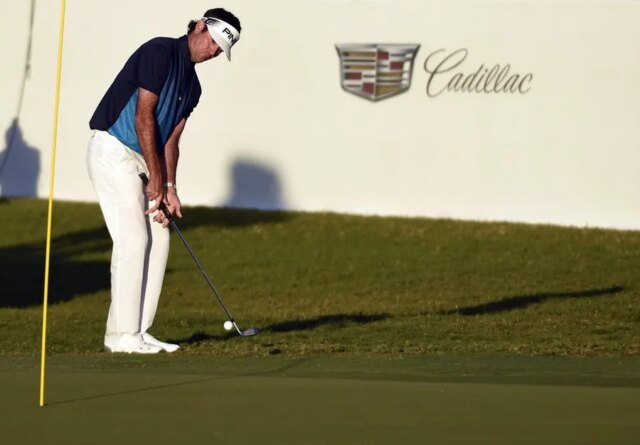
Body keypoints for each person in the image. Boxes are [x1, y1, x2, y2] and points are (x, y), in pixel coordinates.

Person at [86, 8, 242, 354]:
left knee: (159, 237)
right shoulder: (160, 52)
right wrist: (155, 177)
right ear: (200, 26)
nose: (214, 51)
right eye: (213, 42)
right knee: (133, 240)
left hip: (143, 161)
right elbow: (143, 117)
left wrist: (170, 188)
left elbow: (171, 140)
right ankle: (121, 336)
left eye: (221, 49)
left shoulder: (193, 87)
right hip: (113, 150)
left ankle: (138, 331)